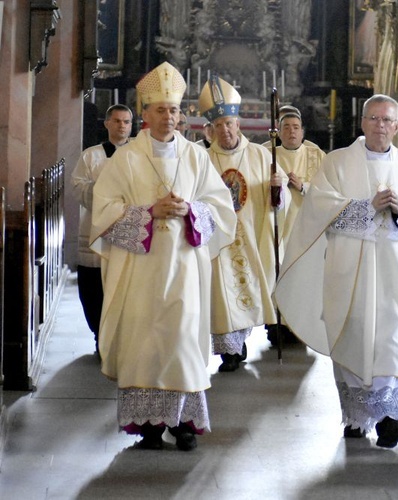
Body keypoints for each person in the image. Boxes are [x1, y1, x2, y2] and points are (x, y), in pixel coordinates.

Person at [90, 62, 236, 451]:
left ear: (181, 114)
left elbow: (220, 207)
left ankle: (185, 422)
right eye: (160, 110)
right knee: (145, 341)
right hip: (142, 268)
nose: (168, 116)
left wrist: (191, 210)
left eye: (173, 110)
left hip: (186, 265)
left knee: (183, 340)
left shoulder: (195, 156)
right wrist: (148, 213)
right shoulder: (126, 158)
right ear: (145, 113)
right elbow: (104, 211)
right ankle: (149, 426)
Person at [275, 94, 398, 448]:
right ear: (362, 123)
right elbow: (319, 208)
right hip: (351, 271)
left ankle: (391, 418)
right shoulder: (338, 162)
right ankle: (358, 417)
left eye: (388, 120)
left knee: (395, 339)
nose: (380, 126)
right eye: (373, 119)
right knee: (355, 333)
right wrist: (366, 207)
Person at [199, 75, 290, 372]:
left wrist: (277, 188)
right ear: (210, 129)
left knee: (247, 288)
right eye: (218, 126)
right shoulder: (201, 159)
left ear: (238, 125)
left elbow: (278, 202)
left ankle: (240, 342)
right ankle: (231, 352)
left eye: (229, 124)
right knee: (221, 292)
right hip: (216, 238)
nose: (224, 131)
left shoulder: (260, 155)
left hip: (252, 233)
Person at [262, 105, 326, 346]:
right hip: (274, 227)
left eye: (296, 128)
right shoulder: (266, 153)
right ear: (277, 131)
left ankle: (299, 327)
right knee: (275, 273)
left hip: (305, 227)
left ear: (303, 132)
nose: (291, 132)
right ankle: (276, 325)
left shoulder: (316, 155)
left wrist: (302, 186)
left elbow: (329, 193)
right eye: (286, 127)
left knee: (302, 277)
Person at [72, 104, 133, 355]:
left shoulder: (139, 154)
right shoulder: (91, 155)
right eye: (117, 121)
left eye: (126, 122)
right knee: (94, 287)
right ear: (107, 123)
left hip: (128, 228)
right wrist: (106, 190)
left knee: (124, 287)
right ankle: (100, 335)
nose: (122, 126)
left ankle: (123, 337)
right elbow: (78, 188)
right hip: (96, 229)